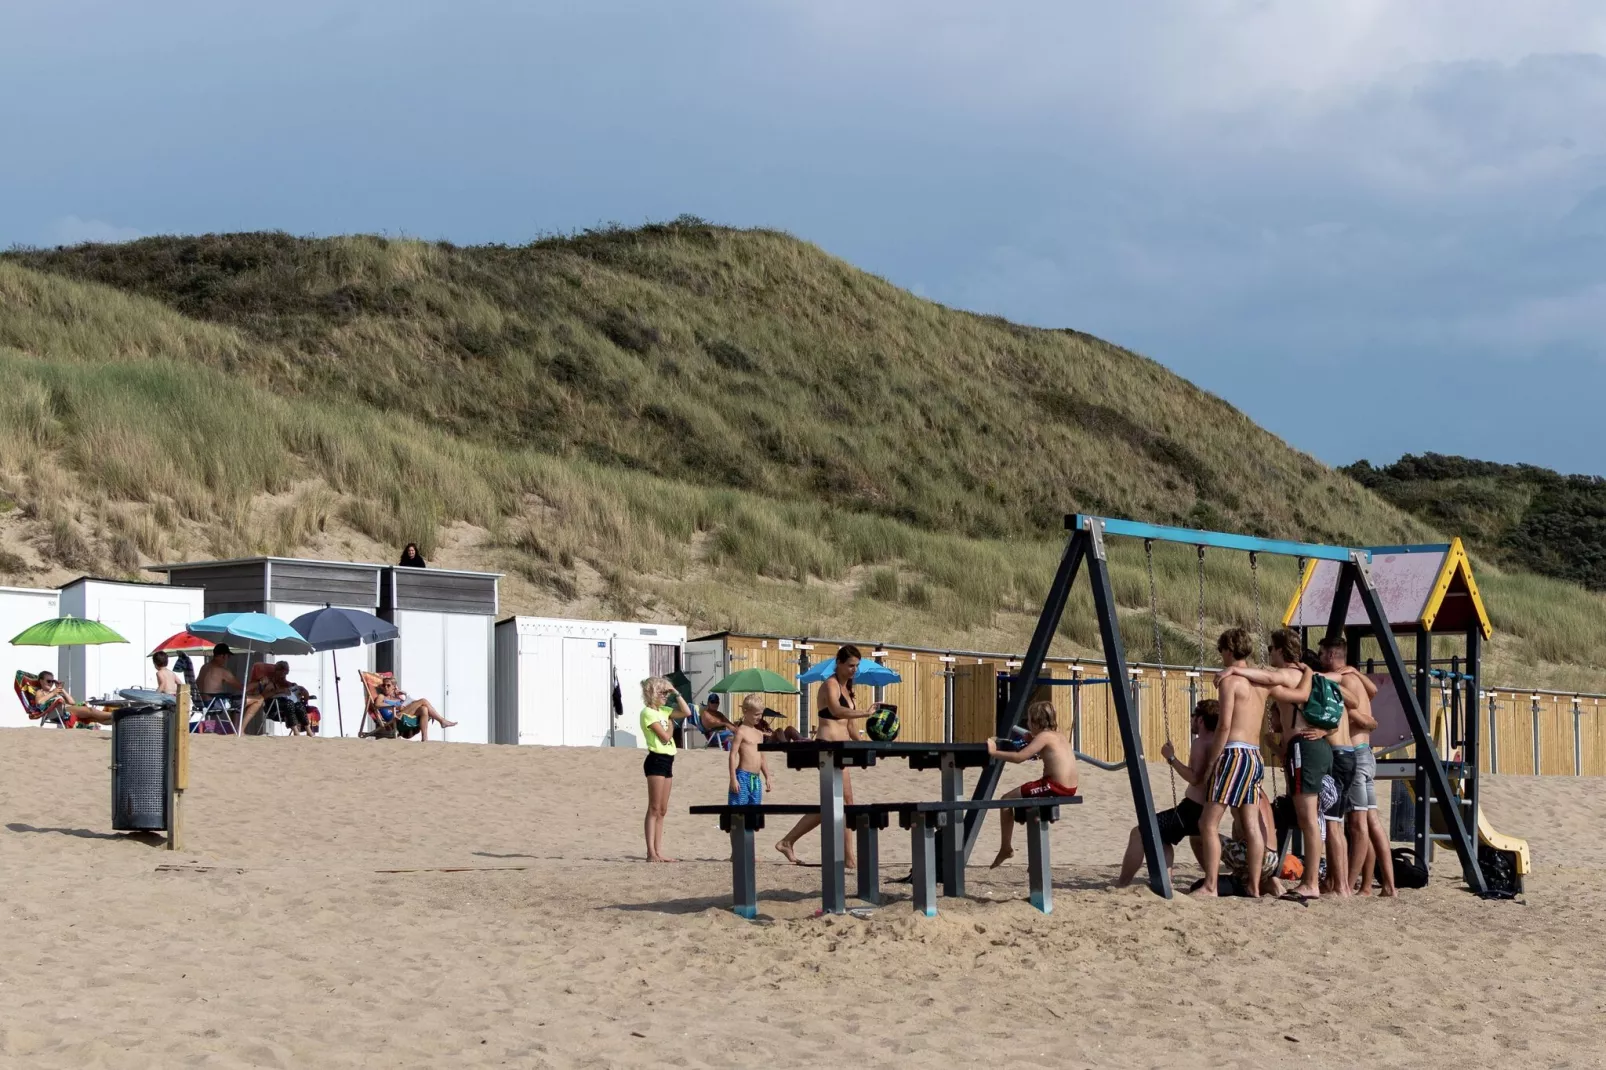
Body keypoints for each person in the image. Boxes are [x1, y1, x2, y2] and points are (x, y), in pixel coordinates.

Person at [1221, 629, 1322, 900]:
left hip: (1301, 748)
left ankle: (1311, 882)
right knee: (1317, 819)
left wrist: (1234, 672)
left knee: (1308, 819)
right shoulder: (1303, 674)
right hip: (1309, 747)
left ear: (1279, 650)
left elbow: (1271, 680)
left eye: (1271, 648)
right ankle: (1291, 880)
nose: (1268, 653)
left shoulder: (1290, 673)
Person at [775, 645, 882, 868]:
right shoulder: (830, 685)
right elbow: (835, 711)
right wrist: (865, 712)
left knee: (842, 803)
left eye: (857, 666)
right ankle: (848, 859)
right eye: (851, 665)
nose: (854, 669)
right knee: (841, 803)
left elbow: (850, 726)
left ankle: (789, 841)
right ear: (840, 663)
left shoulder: (847, 689)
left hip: (841, 749)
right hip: (826, 748)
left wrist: (866, 746)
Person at [1192, 628, 1271, 897]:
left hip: (1234, 753)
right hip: (1254, 755)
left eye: (1221, 651)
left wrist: (1213, 762)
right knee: (1251, 824)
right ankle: (1254, 885)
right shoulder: (1260, 684)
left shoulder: (1230, 682)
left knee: (1208, 823)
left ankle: (1211, 885)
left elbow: (1224, 725)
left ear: (1228, 650)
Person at [1320, 637, 1398, 896]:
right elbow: (1373, 693)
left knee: (1358, 825)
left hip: (1355, 753)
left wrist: (1365, 720)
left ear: (1331, 656)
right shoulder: (1356, 678)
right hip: (1367, 753)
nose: (1321, 659)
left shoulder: (1342, 680)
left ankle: (1349, 882)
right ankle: (1384, 884)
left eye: (1322, 655)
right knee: (1371, 821)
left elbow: (1351, 713)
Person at [1117, 699, 1218, 887]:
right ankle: (1166, 882)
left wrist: (1171, 758)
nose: (1191, 721)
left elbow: (1195, 778)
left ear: (1202, 720)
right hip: (1208, 808)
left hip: (1191, 809)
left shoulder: (1200, 742)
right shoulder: (1217, 742)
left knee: (1141, 832)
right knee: (1163, 838)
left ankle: (1122, 884)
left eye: (1193, 717)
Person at [986, 700, 1077, 868]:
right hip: (1070, 786)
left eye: (1028, 721)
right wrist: (1032, 738)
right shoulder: (1059, 736)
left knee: (1005, 800)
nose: (1027, 725)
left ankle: (1005, 848)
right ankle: (1032, 860)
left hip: (1055, 785)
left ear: (1035, 722)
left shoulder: (1043, 737)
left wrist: (993, 752)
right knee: (1026, 803)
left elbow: (1019, 758)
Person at [640, 675, 692, 862]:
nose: (664, 696)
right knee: (654, 808)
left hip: (668, 759)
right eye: (661, 693)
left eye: (665, 693)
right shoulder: (648, 712)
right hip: (656, 759)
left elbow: (687, 712)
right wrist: (671, 726)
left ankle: (659, 851)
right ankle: (650, 852)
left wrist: (676, 693)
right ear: (652, 693)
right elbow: (664, 737)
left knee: (662, 809)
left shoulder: (664, 710)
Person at [379, 677, 456, 740]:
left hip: (403, 715)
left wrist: (405, 694)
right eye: (384, 685)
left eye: (388, 685)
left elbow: (412, 704)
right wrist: (394, 706)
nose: (385, 687)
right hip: (395, 718)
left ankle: (424, 738)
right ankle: (442, 721)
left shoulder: (399, 698)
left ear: (393, 687)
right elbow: (377, 704)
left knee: (424, 709)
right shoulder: (382, 696)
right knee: (423, 700)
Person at [728, 696, 773, 805]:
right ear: (745, 711)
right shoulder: (741, 732)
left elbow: (762, 757)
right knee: (738, 812)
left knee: (755, 813)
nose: (759, 717)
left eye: (761, 714)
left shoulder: (759, 734)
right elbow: (732, 755)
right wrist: (733, 778)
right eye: (756, 714)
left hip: (756, 778)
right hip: (742, 777)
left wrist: (767, 776)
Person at [33, 671, 110, 726]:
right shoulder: (40, 692)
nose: (51, 683)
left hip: (65, 709)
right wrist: (53, 693)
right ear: (41, 681)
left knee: (94, 717)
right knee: (91, 710)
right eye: (48, 681)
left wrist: (62, 689)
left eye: (52, 681)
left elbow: (72, 702)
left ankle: (117, 720)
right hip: (57, 712)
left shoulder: (54, 691)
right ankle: (116, 714)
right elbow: (39, 702)